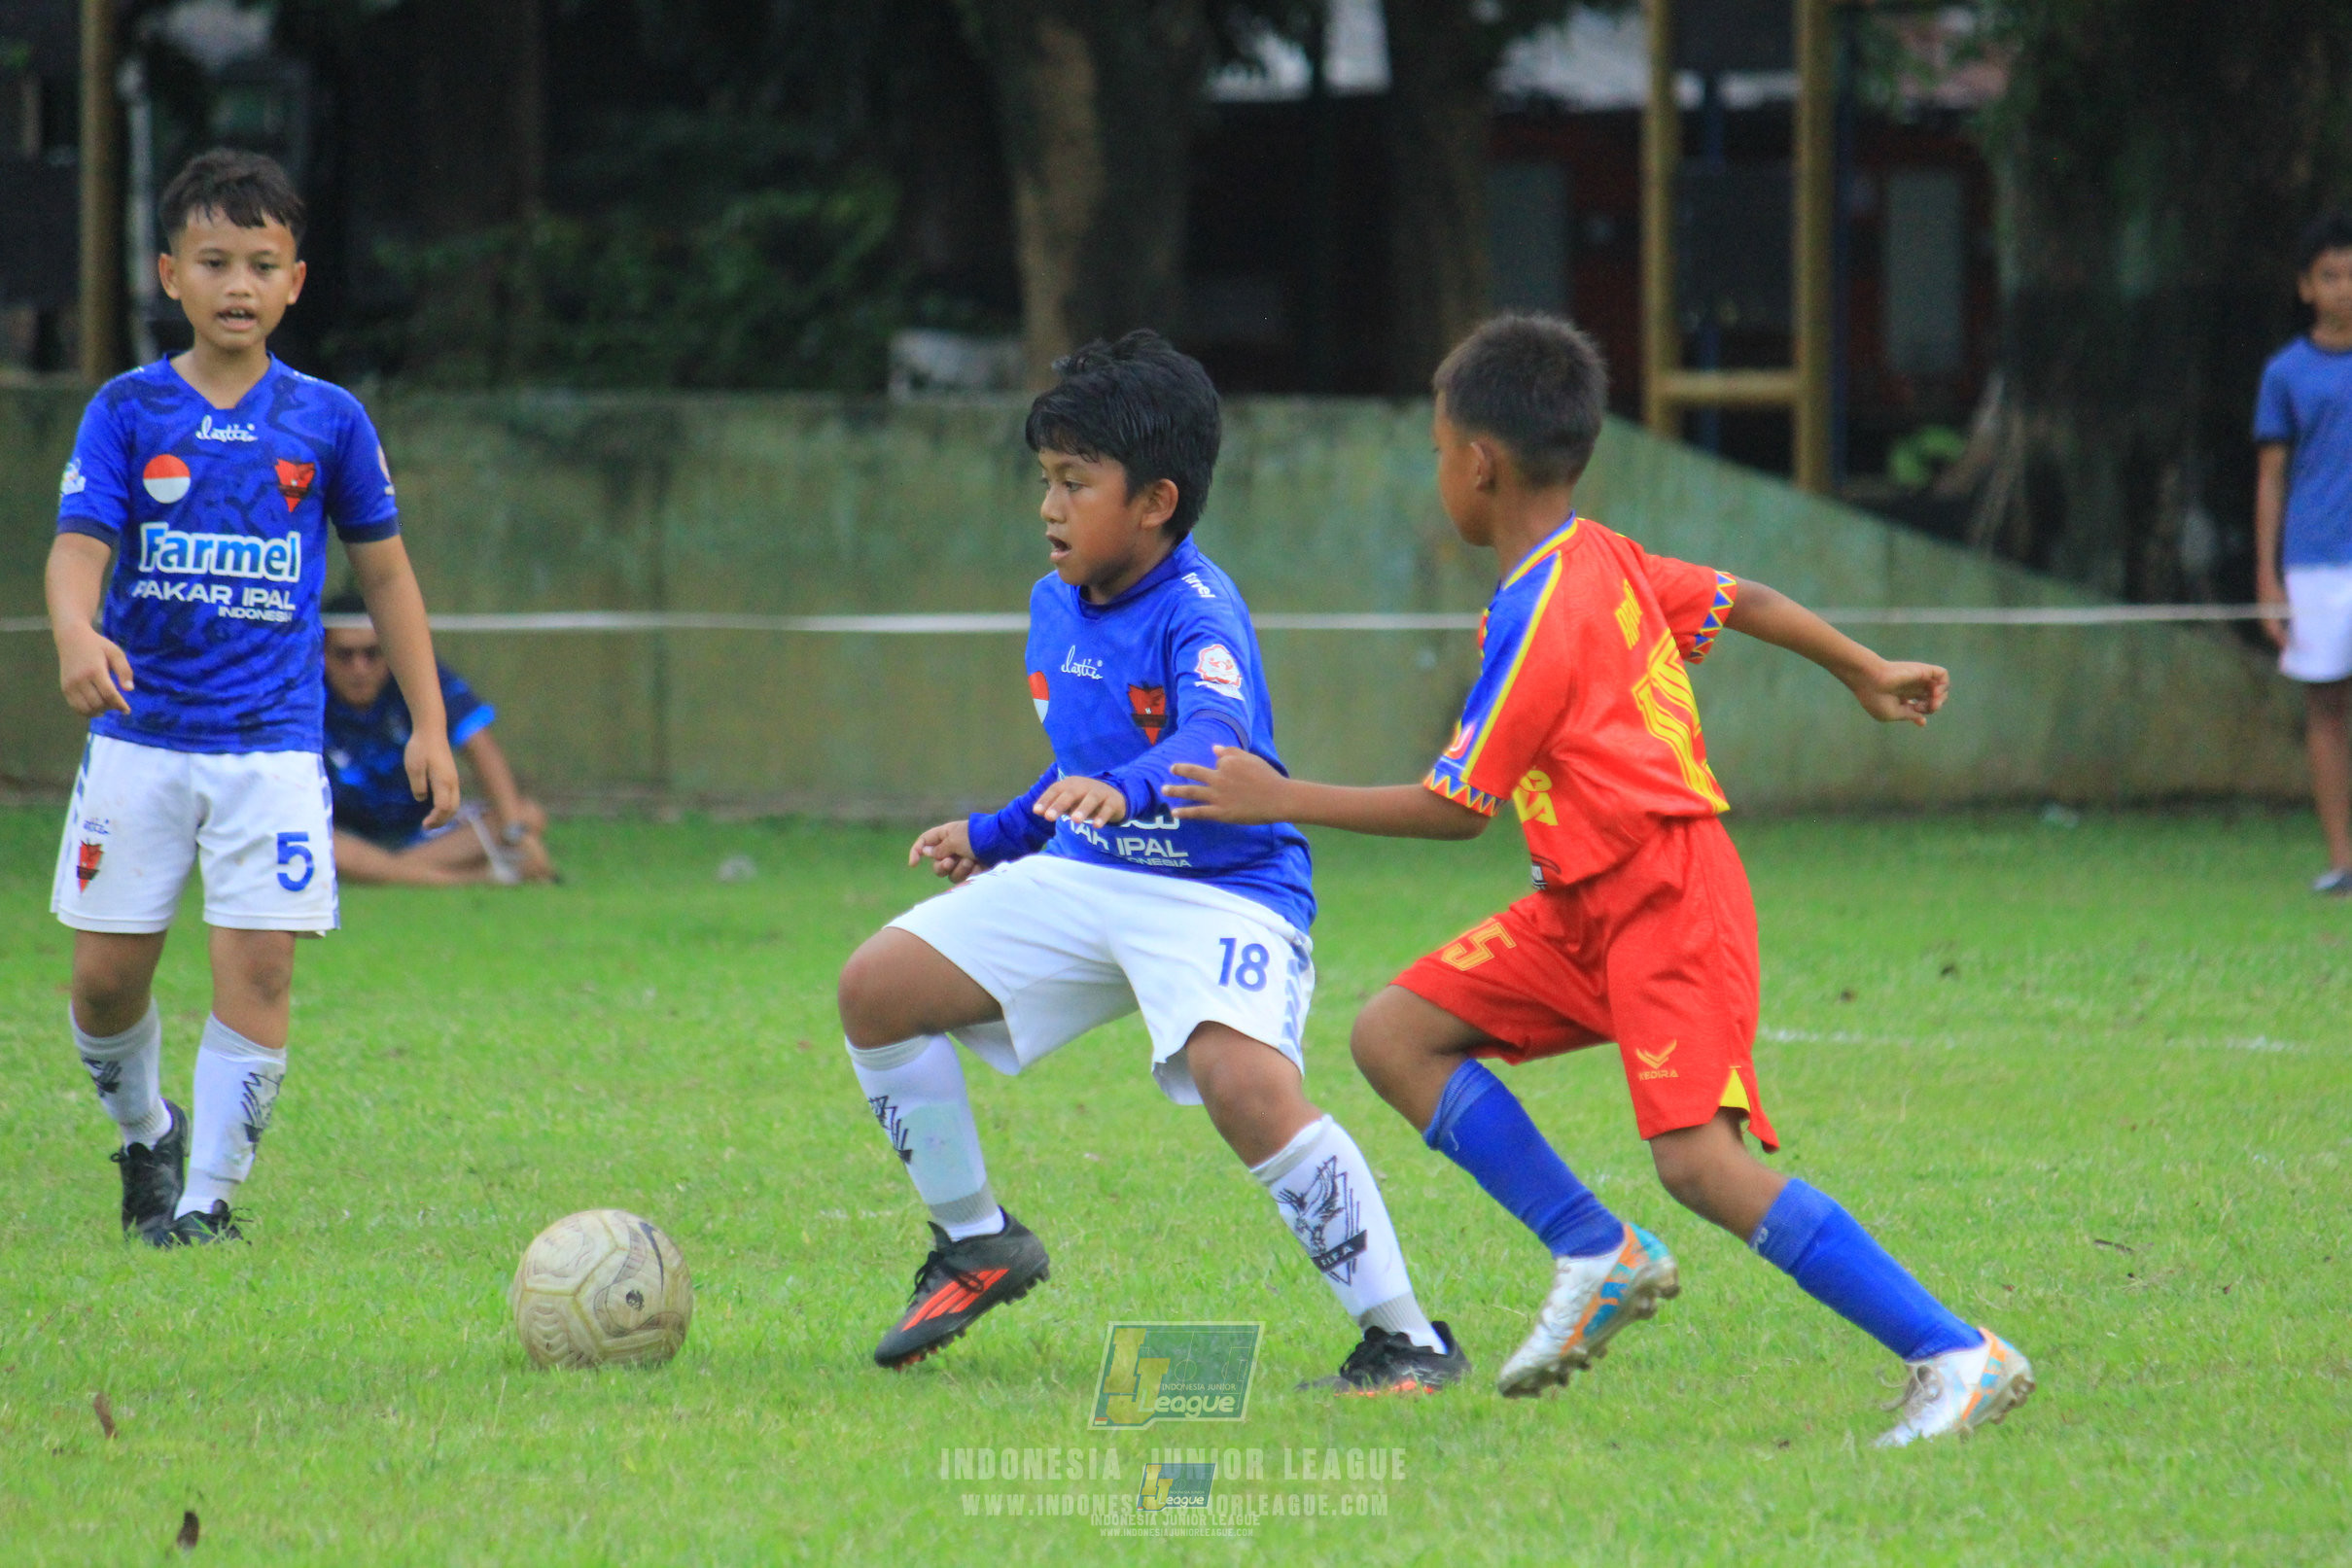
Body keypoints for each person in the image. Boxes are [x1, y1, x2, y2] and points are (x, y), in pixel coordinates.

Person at [1167, 313, 2034, 1446]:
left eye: (1438, 451)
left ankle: (1956, 1351)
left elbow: (1452, 808)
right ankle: (1593, 1247)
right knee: (1394, 1034)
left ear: (1478, 461)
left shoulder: (1542, 613)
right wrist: (1863, 669)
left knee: (1696, 1162)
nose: (1439, 473)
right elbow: (1744, 598)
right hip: (1582, 899)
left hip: (1665, 889)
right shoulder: (1599, 555)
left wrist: (1277, 795)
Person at [833, 331, 1465, 1392]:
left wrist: (1124, 789)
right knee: (876, 988)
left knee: (1242, 1082)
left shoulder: (1198, 609)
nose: (1048, 506)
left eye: (1075, 482)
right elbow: (1079, 765)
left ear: (1156, 501)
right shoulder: (1051, 604)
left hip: (1222, 890)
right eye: (1045, 480)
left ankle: (1404, 1337)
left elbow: (1208, 741)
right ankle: (976, 1238)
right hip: (1087, 869)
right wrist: (995, 832)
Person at [45, 149, 457, 1246]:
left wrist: (429, 720)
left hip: (273, 745)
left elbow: (386, 574)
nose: (237, 283)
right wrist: (77, 632)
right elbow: (77, 548)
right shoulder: (127, 412)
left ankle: (205, 1200)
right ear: (168, 272)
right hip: (141, 738)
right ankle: (145, 1132)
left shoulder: (327, 420)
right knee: (101, 984)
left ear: (295, 282)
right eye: (214, 260)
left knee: (261, 962)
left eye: (260, 264)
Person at [322, 591, 555, 886]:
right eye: (345, 655)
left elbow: (479, 745)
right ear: (322, 653)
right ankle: (470, 878)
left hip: (424, 831)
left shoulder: (417, 675)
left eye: (372, 654)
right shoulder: (303, 690)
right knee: (316, 839)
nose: (359, 668)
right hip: (343, 832)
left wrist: (514, 833)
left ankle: (376, 873)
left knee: (524, 815)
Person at [2255, 210, 2352, 895]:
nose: (2344, 288)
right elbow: (2270, 477)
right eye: (2329, 275)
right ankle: (2342, 860)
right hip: (2315, 562)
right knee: (2325, 707)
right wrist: (2267, 576)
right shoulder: (2284, 374)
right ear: (2305, 286)